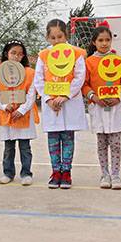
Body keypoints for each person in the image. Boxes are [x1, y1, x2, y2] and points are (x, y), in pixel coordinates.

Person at [33, 19, 88, 189]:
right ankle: (55, 171)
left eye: (60, 36)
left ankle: (66, 172)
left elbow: (80, 77)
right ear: (47, 37)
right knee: (53, 139)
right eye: (53, 37)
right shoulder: (43, 55)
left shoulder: (76, 53)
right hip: (51, 104)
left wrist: (65, 95)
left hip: (69, 103)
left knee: (68, 138)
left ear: (67, 35)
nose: (57, 41)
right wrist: (48, 99)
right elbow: (39, 79)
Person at [82, 26, 121, 190]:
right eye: (100, 40)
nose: (104, 43)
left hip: (116, 108)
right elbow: (85, 84)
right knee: (102, 143)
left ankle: (116, 175)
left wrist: (119, 97)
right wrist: (94, 98)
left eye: (107, 40)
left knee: (115, 143)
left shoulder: (117, 60)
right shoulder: (89, 62)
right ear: (94, 42)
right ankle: (105, 174)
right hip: (98, 108)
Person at [0, 40, 39, 186]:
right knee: (8, 147)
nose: (16, 56)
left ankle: (26, 173)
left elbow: (31, 94)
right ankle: (8, 173)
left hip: (24, 116)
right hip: (7, 115)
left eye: (20, 54)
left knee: (25, 147)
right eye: (13, 53)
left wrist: (22, 110)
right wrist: (5, 106)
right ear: (6, 54)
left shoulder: (30, 73)